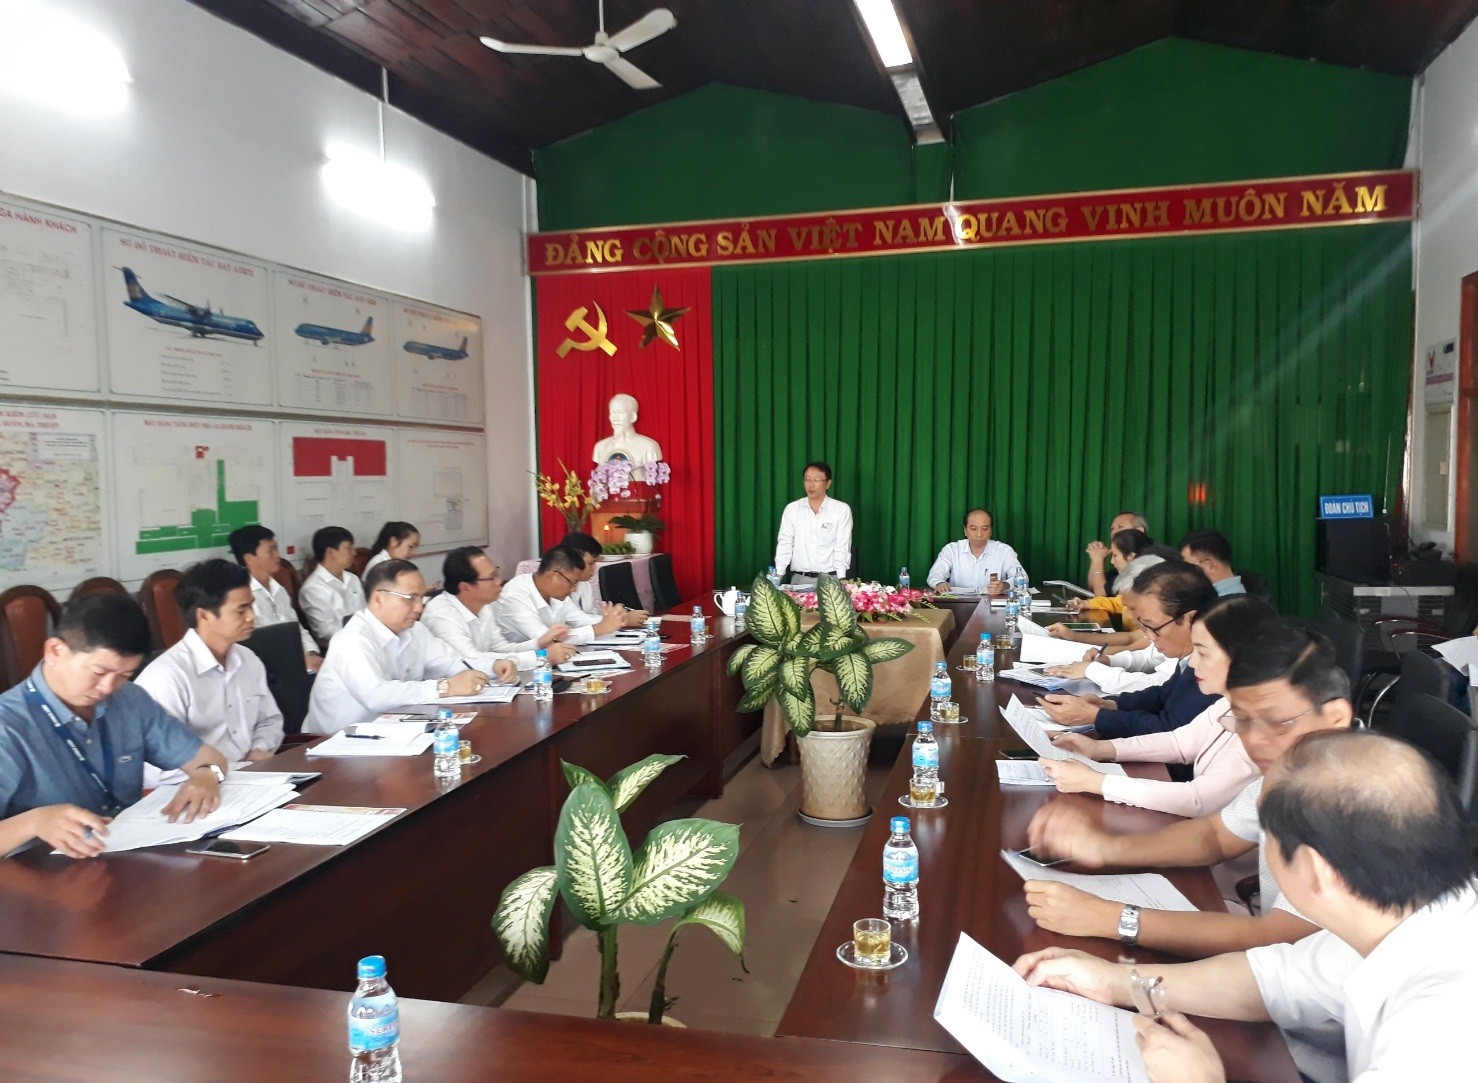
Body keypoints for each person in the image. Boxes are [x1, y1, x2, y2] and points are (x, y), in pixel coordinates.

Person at [1014, 730, 1476, 1083]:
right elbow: (1272, 981)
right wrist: (1116, 982)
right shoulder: (1408, 915)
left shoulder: (1441, 1037)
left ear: (1314, 871)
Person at [1021, 622, 1353, 966]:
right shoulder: (1296, 767)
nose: (1254, 741)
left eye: (1274, 722)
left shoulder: (1358, 801)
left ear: (1335, 716)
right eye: (1242, 721)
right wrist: (1105, 848)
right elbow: (1216, 836)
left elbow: (1277, 938)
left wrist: (1111, 919)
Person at [0, 595, 228, 859]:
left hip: (126, 854)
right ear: (55, 651)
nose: (108, 687)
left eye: (124, 675)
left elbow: (211, 759)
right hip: (42, 871)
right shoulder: (8, 726)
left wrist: (207, 776)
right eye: (98, 672)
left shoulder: (130, 700)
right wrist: (34, 822)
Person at [1038, 595, 1271, 817]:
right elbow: (1180, 742)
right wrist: (1098, 749)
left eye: (1202, 653)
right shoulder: (1227, 703)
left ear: (1244, 656)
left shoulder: (1266, 727)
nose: (1193, 663)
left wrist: (1095, 782)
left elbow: (1197, 799)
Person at [304, 560, 515, 735]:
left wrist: (493, 666)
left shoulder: (415, 631)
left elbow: (452, 663)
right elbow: (375, 695)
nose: (419, 607)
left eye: (422, 598)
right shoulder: (351, 641)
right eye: (410, 598)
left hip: (394, 731)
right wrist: (444, 687)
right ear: (379, 598)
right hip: (336, 743)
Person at [136, 559, 283, 785]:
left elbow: (269, 720)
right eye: (241, 610)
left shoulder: (248, 660)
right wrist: (223, 770)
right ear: (203, 615)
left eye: (251, 606)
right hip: (192, 789)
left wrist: (258, 748)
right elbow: (156, 769)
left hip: (250, 780)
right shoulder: (168, 677)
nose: (252, 616)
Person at [1038, 562, 1221, 738]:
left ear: (1191, 619)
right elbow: (1162, 694)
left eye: (1153, 627)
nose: (1149, 637)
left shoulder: (1218, 665)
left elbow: (1171, 730)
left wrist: (1097, 717)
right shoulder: (1192, 654)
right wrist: (1110, 704)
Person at [422, 547, 577, 670]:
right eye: (492, 578)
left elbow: (501, 649)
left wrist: (540, 643)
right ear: (465, 587)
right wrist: (541, 658)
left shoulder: (485, 607)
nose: (499, 582)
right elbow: (472, 661)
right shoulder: (441, 615)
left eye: (497, 574)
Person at [228, 524, 321, 673]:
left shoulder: (279, 589)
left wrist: (311, 653)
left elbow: (296, 628)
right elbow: (254, 645)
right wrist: (297, 660)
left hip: (298, 663)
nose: (278, 555)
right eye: (270, 550)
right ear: (249, 558)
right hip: (268, 669)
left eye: (276, 549)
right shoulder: (242, 597)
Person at [495, 545, 628, 648]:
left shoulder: (555, 593)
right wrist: (601, 628)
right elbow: (548, 639)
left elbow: (580, 619)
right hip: (517, 667)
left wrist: (613, 619)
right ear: (551, 576)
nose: (574, 589)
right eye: (572, 582)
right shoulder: (515, 596)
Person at [774, 461, 852, 583]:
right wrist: (777, 576)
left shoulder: (841, 510)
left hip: (830, 579)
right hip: (799, 579)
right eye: (807, 479)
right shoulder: (792, 509)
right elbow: (785, 543)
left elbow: (842, 545)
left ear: (828, 483)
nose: (811, 485)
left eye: (816, 480)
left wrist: (841, 578)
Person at [925, 509, 1026, 596]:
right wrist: (939, 583)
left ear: (991, 531)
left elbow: (1023, 578)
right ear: (965, 530)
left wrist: (1005, 586)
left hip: (992, 603)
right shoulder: (951, 550)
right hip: (957, 603)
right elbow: (935, 575)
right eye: (973, 529)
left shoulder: (1004, 550)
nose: (979, 534)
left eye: (985, 529)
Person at [296, 526, 367, 645]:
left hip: (365, 640)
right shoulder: (312, 589)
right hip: (338, 647)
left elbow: (366, 612)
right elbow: (325, 632)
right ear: (330, 552)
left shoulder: (353, 579)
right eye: (348, 548)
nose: (354, 552)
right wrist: (362, 637)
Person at [561, 530, 646, 625]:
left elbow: (590, 615)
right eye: (591, 563)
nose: (594, 568)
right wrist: (622, 620)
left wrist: (613, 615)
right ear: (573, 560)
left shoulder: (584, 584)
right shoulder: (558, 587)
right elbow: (576, 620)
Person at [591, 393, 663, 478]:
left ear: (633, 417)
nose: (615, 418)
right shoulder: (600, 447)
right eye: (612, 412)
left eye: (620, 412)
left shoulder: (649, 446)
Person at [1086, 511, 1149, 596]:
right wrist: (1095, 559)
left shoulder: (1148, 557)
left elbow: (1102, 594)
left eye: (1120, 527)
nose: (1114, 532)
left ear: (1139, 531)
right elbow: (1093, 587)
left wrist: (1097, 560)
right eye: (1112, 529)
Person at [1179, 530, 1246, 597]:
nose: (1184, 575)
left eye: (1188, 568)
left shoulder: (1223, 602)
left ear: (1210, 566)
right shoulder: (1243, 594)